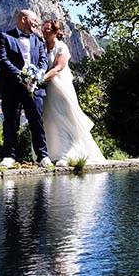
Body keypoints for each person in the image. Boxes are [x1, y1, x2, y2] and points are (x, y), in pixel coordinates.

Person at [40, 19, 105, 166]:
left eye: (48, 29)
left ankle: (69, 153)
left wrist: (42, 78)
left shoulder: (61, 47)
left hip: (60, 87)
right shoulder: (42, 47)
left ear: (56, 31)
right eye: (43, 28)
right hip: (46, 90)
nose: (44, 31)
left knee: (65, 117)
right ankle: (53, 153)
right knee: (50, 120)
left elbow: (58, 67)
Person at [0, 9, 52, 168]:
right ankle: (9, 156)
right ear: (23, 19)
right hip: (11, 87)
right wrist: (21, 77)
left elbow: (43, 60)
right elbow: (3, 61)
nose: (37, 23)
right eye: (34, 20)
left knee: (36, 121)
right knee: (11, 122)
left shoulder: (39, 40)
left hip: (34, 87)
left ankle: (42, 156)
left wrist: (38, 74)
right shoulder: (4, 37)